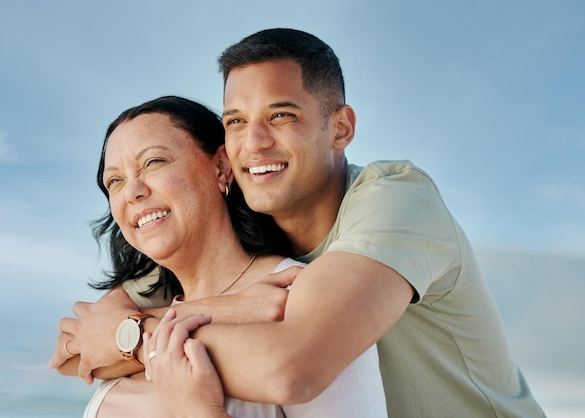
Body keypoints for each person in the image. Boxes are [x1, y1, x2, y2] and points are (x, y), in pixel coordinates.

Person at [51, 29, 545, 417]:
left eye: (282, 115)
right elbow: (78, 347)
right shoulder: (241, 231)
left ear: (341, 127)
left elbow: (293, 366)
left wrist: (136, 338)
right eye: (236, 122)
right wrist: (230, 308)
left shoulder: (395, 199)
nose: (254, 142)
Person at [68, 95, 386, 417]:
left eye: (154, 162)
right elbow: (69, 351)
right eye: (115, 181)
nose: (132, 191)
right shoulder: (129, 320)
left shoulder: (303, 301)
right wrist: (225, 310)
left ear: (221, 167)